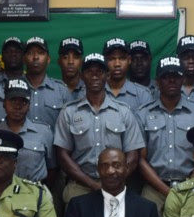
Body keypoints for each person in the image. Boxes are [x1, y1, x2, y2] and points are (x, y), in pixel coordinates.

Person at [54, 53, 145, 203]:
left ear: (107, 76)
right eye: (89, 72)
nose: (94, 76)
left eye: (99, 72)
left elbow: (133, 155)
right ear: (82, 76)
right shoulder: (69, 112)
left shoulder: (123, 112)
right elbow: (62, 155)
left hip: (117, 186)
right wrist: (93, 185)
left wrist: (114, 182)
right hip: (80, 185)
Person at [138, 56, 194, 215]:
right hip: (154, 189)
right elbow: (140, 159)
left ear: (182, 79)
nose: (171, 81)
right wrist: (166, 190)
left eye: (176, 76)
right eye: (166, 77)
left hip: (192, 187)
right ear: (157, 81)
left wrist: (187, 187)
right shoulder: (143, 114)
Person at [60, 148, 161, 217]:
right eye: (104, 166)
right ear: (98, 170)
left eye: (116, 165)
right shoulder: (79, 207)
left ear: (126, 168)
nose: (110, 171)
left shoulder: (147, 209)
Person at [0, 78, 55, 183]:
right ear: (4, 103)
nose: (17, 106)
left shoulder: (44, 133)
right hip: (2, 190)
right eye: (13, 100)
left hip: (35, 190)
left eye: (23, 101)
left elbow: (52, 168)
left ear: (29, 105)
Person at [22, 36, 72, 127]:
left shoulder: (61, 90)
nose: (35, 57)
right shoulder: (12, 87)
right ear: (24, 59)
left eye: (40, 53)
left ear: (48, 59)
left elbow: (69, 127)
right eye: (30, 53)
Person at [103, 38, 152, 110]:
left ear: (129, 60)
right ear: (104, 61)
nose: (117, 64)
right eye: (112, 59)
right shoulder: (93, 92)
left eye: (122, 58)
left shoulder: (143, 95)